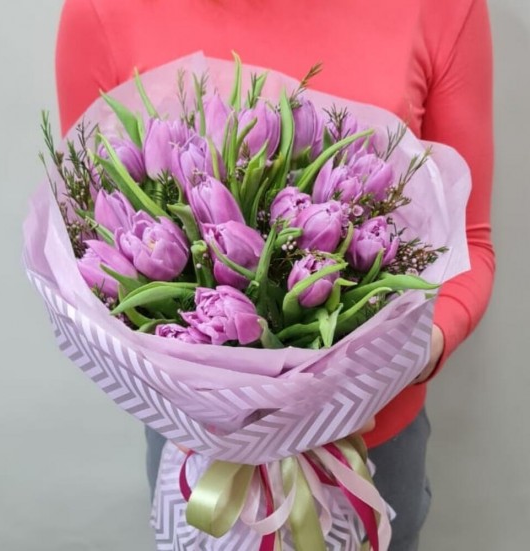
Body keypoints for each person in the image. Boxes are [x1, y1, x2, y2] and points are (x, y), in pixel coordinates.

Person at [55, 0, 495, 549]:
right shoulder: (103, 12)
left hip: (373, 450)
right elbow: (90, 247)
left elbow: (471, 243)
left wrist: (398, 362)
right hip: (202, 462)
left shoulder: (442, 8)